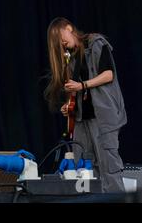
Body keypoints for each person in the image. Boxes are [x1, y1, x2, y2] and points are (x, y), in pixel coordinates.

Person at [44, 17, 127, 193]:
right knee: (86, 169)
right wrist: (69, 106)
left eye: (60, 37)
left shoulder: (95, 43)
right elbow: (75, 92)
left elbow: (108, 74)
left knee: (109, 166)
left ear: (69, 28)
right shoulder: (70, 58)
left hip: (103, 116)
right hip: (82, 120)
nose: (61, 43)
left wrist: (82, 85)